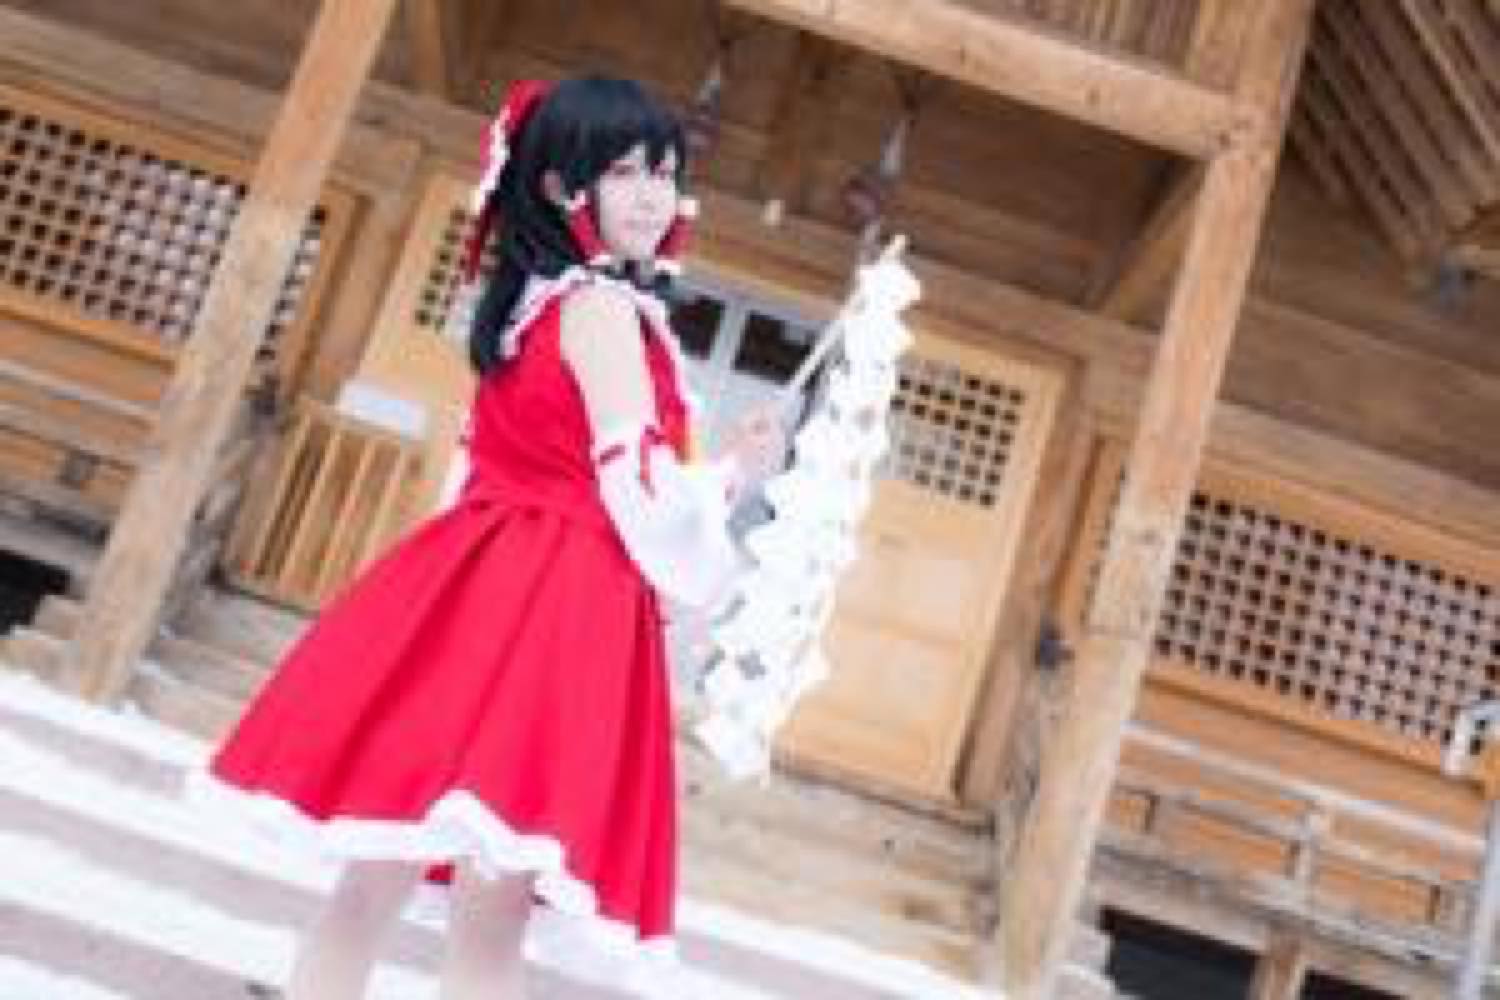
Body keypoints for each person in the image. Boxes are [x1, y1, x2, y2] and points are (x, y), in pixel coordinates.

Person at [186, 74, 782, 999]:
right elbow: (640, 496)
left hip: (469, 586)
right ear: (558, 186)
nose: (652, 194)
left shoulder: (526, 307)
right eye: (624, 171)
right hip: (558, 605)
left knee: (376, 875)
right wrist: (737, 476)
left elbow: (503, 466)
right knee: (493, 909)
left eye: (664, 173)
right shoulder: (602, 310)